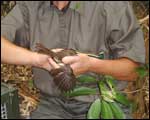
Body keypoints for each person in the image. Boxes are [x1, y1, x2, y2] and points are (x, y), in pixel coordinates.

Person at [1, 1, 145, 119]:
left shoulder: (110, 6)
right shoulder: (30, 7)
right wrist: (38, 59)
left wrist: (91, 65)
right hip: (53, 105)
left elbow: (134, 71)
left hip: (103, 102)